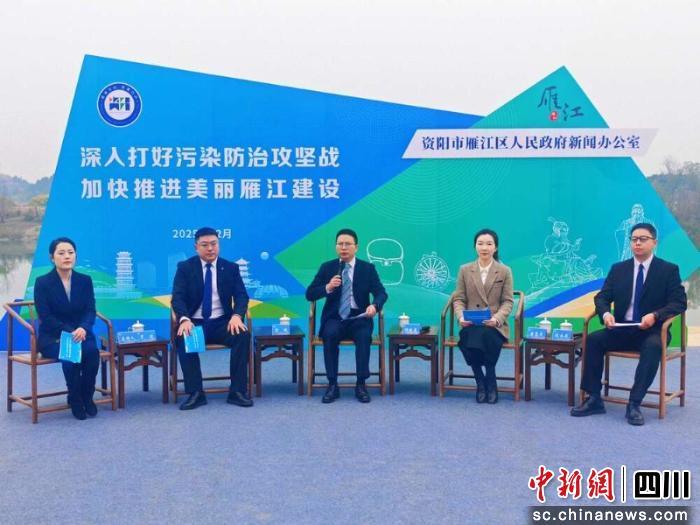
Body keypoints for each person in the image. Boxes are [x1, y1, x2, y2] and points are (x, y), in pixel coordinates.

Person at [571, 223, 687, 426]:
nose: (638, 243)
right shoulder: (619, 269)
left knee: (653, 346)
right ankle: (594, 398)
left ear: (654, 242)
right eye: (634, 239)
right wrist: (606, 313)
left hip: (652, 330)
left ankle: (634, 403)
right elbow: (602, 297)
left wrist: (656, 315)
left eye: (643, 239)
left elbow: (679, 302)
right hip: (622, 329)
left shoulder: (668, 270)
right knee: (593, 340)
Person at [172, 227, 252, 410]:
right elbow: (178, 297)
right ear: (196, 247)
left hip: (223, 322)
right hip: (195, 323)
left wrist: (237, 316)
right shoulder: (185, 268)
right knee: (184, 337)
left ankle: (237, 391)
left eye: (214, 244)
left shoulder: (230, 268)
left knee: (242, 336)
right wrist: (184, 319)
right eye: (205, 245)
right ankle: (196, 393)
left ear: (219, 245)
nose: (210, 248)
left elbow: (241, 296)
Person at [306, 228, 388, 403]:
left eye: (347, 244)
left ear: (356, 247)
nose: (343, 247)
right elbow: (310, 294)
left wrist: (374, 305)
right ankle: (332, 384)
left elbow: (381, 293)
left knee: (364, 336)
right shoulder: (327, 267)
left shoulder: (367, 269)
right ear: (336, 247)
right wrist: (327, 287)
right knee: (329, 334)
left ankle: (361, 384)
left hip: (359, 317)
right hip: (335, 318)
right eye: (340, 244)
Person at [34, 237, 100, 420]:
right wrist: (70, 331)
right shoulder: (42, 283)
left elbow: (90, 310)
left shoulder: (85, 280)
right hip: (54, 336)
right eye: (61, 253)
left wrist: (83, 328)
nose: (67, 256)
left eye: (71, 253)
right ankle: (76, 400)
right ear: (52, 257)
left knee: (92, 354)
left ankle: (87, 396)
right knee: (71, 357)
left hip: (81, 334)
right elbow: (46, 317)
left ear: (75, 256)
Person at [452, 229, 514, 404]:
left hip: (494, 325)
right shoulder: (465, 270)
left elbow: (507, 301)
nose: (484, 247)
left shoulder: (504, 271)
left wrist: (497, 319)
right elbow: (459, 299)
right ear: (475, 247)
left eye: (489, 244)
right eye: (480, 244)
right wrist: (460, 317)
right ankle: (481, 381)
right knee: (469, 336)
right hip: (471, 323)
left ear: (495, 247)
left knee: (486, 335)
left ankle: (490, 381)